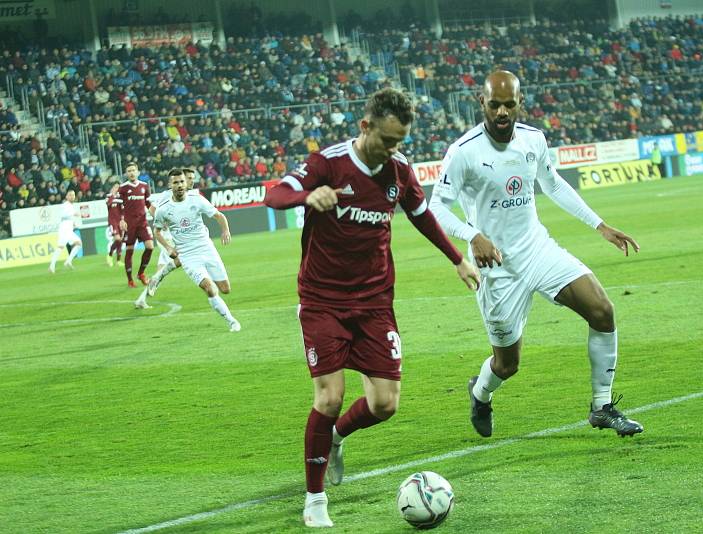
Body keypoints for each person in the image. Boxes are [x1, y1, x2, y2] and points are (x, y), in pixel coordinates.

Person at [265, 88, 480, 528]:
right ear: (365, 127)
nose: (393, 149)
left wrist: (456, 258)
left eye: (399, 141)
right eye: (386, 140)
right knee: (329, 397)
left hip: (375, 302)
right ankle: (315, 498)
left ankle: (339, 436)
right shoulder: (328, 164)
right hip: (323, 301)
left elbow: (421, 215)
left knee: (384, 404)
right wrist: (307, 197)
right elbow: (274, 194)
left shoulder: (398, 170)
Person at [429, 71, 644, 439]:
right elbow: (435, 207)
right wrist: (473, 234)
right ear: (481, 103)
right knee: (507, 364)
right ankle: (480, 394)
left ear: (520, 103)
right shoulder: (464, 152)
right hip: (497, 269)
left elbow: (553, 183)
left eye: (508, 105)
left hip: (537, 250)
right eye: (494, 104)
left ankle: (602, 407)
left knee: (602, 311)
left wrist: (601, 226)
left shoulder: (533, 140)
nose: (501, 112)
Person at [153, 168, 240, 332]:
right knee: (210, 288)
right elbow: (156, 231)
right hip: (188, 256)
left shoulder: (197, 200)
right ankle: (232, 321)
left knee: (225, 289)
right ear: (169, 185)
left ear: (186, 183)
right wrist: (168, 247)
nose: (179, 185)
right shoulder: (163, 209)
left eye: (181, 182)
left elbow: (219, 216)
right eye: (175, 182)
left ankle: (215, 296)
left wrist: (225, 230)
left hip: (207, 248)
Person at [134, 168, 198, 309]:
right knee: (180, 259)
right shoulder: (168, 194)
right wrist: (162, 223)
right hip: (167, 237)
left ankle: (142, 298)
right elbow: (151, 208)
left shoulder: (189, 196)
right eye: (189, 178)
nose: (192, 181)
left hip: (175, 236)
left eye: (193, 178)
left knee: (162, 269)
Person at [119, 162, 154, 288]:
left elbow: (148, 204)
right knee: (129, 251)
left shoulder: (144, 186)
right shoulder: (123, 188)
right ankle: (130, 280)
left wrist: (157, 217)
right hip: (129, 225)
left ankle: (141, 273)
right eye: (129, 171)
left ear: (138, 172)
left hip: (142, 223)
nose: (132, 173)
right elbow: (118, 206)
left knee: (150, 247)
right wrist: (121, 220)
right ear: (126, 173)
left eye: (133, 170)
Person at [48, 190, 82, 273]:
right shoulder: (65, 205)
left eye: (73, 195)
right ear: (66, 197)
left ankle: (68, 261)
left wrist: (73, 223)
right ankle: (51, 266)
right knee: (60, 247)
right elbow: (64, 215)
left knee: (78, 244)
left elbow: (68, 216)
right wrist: (74, 213)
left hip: (69, 229)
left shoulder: (70, 205)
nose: (72, 196)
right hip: (64, 229)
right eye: (70, 195)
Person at [105, 182, 124, 267]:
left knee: (120, 241)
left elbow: (123, 209)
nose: (117, 189)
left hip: (120, 221)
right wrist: (112, 195)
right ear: (112, 188)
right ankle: (109, 255)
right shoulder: (108, 196)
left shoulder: (120, 197)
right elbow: (108, 204)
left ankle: (118, 260)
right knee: (117, 239)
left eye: (118, 187)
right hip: (112, 221)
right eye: (115, 187)